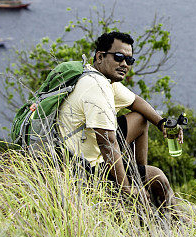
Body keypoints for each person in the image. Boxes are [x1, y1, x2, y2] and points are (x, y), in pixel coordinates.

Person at [56, 30, 181, 208]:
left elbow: (137, 102)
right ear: (100, 56)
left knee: (140, 118)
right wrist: (126, 189)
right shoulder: (96, 88)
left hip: (83, 151)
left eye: (129, 60)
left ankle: (138, 176)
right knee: (158, 176)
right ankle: (172, 219)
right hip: (82, 168)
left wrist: (162, 123)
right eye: (119, 57)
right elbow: (108, 143)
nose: (124, 64)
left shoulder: (98, 77)